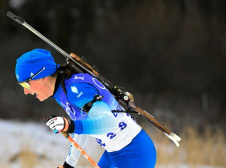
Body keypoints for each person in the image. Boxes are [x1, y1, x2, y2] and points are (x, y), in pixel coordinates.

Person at [15, 48, 157, 168]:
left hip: (134, 153)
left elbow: (108, 123)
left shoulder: (76, 89)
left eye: (25, 84)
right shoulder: (62, 90)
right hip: (114, 152)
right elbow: (82, 124)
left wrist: (68, 125)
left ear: (42, 77)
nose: (25, 91)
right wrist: (69, 164)